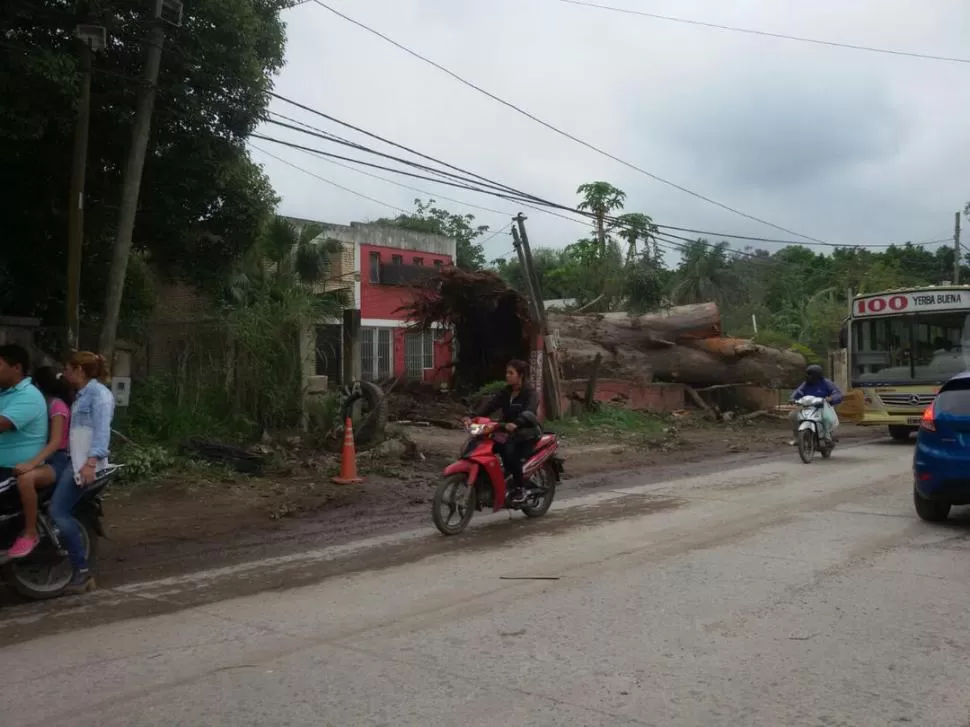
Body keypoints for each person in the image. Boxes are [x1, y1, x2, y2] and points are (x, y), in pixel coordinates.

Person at [51, 351, 115, 594]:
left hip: (85, 464)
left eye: (67, 368)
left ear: (79, 369)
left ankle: (82, 570)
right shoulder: (82, 395)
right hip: (75, 461)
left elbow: (101, 432)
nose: (64, 373)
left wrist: (90, 463)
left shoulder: (99, 395)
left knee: (58, 511)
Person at [6, 367, 74, 559]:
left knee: (25, 480)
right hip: (43, 459)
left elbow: (55, 442)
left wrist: (31, 463)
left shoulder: (56, 407)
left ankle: (30, 532)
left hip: (57, 461)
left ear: (37, 385)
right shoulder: (38, 404)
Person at [465, 359, 539, 504]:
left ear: (521, 375)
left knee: (511, 455)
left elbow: (530, 411)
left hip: (525, 433)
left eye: (511, 373)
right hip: (506, 430)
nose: (507, 376)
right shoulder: (506, 392)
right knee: (483, 446)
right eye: (507, 372)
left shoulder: (530, 393)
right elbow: (490, 406)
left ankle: (520, 488)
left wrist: (517, 423)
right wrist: (472, 416)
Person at [0, 345, 48, 485]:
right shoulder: (4, 392)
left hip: (13, 470)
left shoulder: (28, 395)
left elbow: (2, 424)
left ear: (16, 368)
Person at [789, 364, 843, 445]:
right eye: (807, 374)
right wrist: (792, 398)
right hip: (807, 407)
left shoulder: (826, 383)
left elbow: (837, 393)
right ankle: (797, 437)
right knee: (793, 415)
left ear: (817, 376)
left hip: (822, 407)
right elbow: (798, 392)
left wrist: (831, 398)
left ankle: (827, 436)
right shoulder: (805, 384)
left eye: (810, 375)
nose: (808, 377)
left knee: (826, 418)